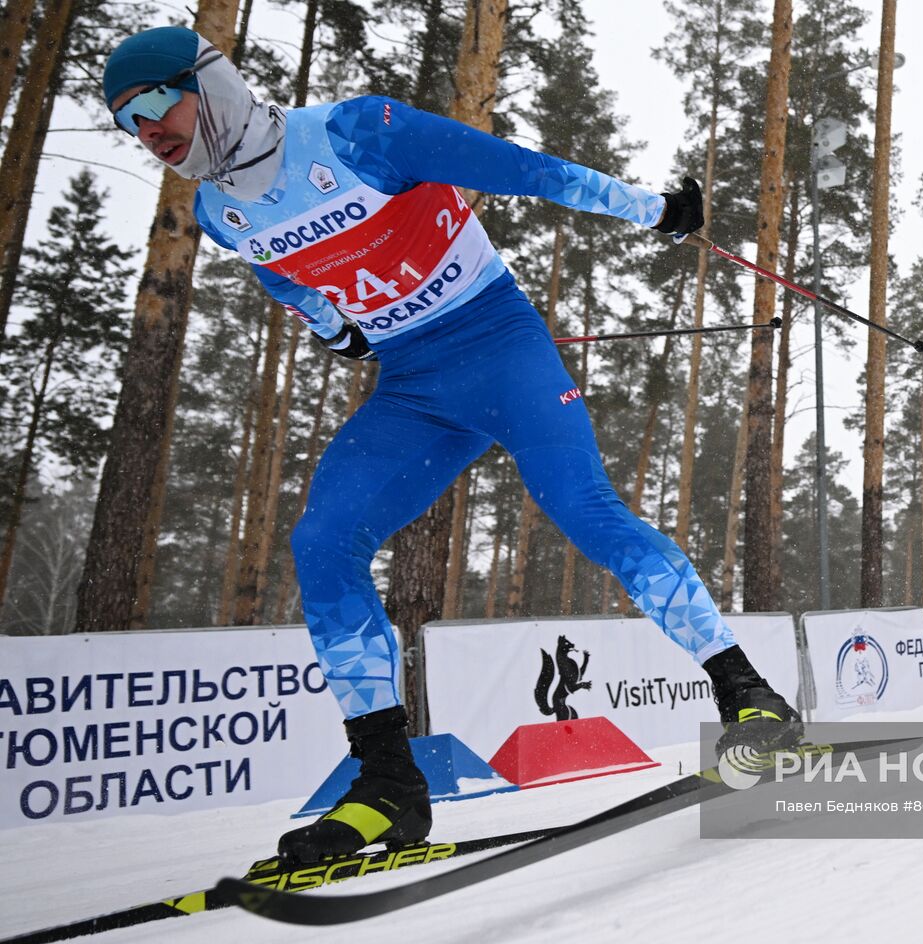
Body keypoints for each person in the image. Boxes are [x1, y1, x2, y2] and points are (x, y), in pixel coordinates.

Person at [103, 27, 803, 864]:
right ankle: (388, 785)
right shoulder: (219, 211)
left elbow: (525, 172)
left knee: (586, 512)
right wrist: (337, 331)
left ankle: (748, 694)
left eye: (151, 104)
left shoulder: (359, 133)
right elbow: (280, 274)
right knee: (323, 543)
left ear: (210, 81)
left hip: (501, 347)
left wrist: (655, 211)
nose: (146, 132)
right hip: (411, 388)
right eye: (126, 124)